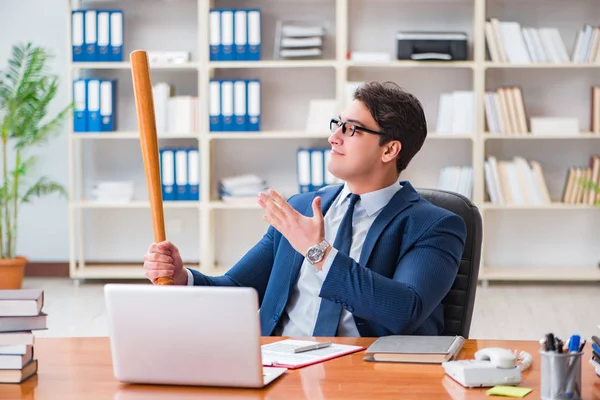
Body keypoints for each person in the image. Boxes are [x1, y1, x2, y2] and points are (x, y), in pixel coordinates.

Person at [143, 81, 467, 338]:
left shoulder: (435, 225)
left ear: (390, 149)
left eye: (351, 129)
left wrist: (319, 253)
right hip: (278, 365)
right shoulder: (299, 209)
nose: (333, 137)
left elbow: (404, 310)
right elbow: (236, 291)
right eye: (336, 124)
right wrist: (181, 276)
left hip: (364, 374)